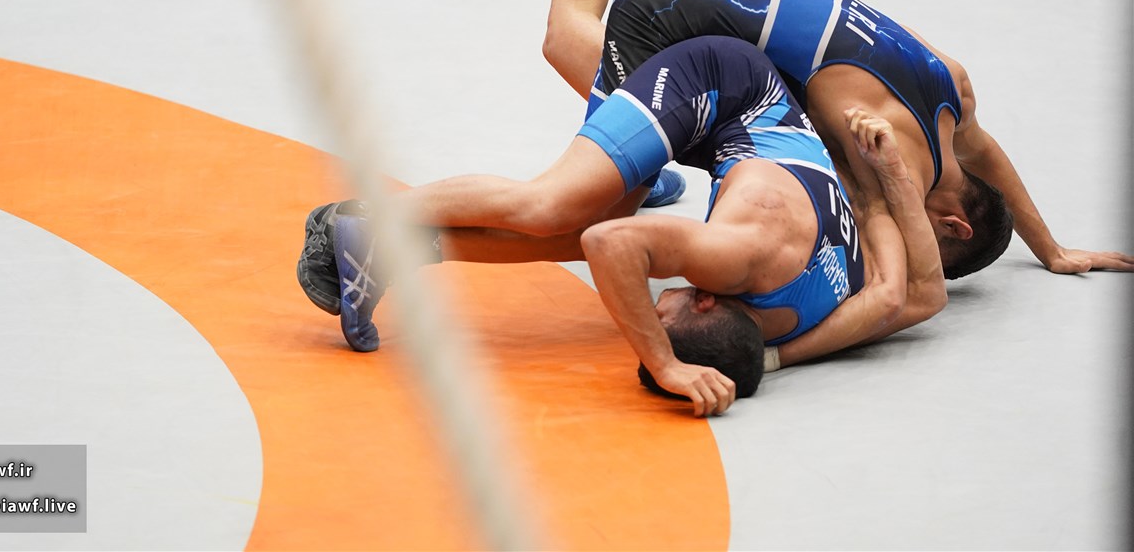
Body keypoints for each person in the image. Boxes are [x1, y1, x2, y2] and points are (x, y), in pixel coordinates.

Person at [478, 0, 1133, 367]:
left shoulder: (953, 96)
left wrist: (1050, 248)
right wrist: (786, 349)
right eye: (928, 241)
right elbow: (903, 291)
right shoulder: (883, 161)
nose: (910, 242)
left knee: (577, 49)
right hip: (675, 13)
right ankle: (423, 234)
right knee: (586, 213)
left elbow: (987, 156)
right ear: (951, 225)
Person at [298, 33, 931, 417]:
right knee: (557, 211)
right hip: (720, 85)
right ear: (707, 300)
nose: (654, 306)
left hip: (751, 150)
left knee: (587, 233)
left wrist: (892, 176)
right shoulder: (735, 257)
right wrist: (664, 363)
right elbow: (609, 245)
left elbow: (917, 293)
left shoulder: (825, 310)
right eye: (663, 315)